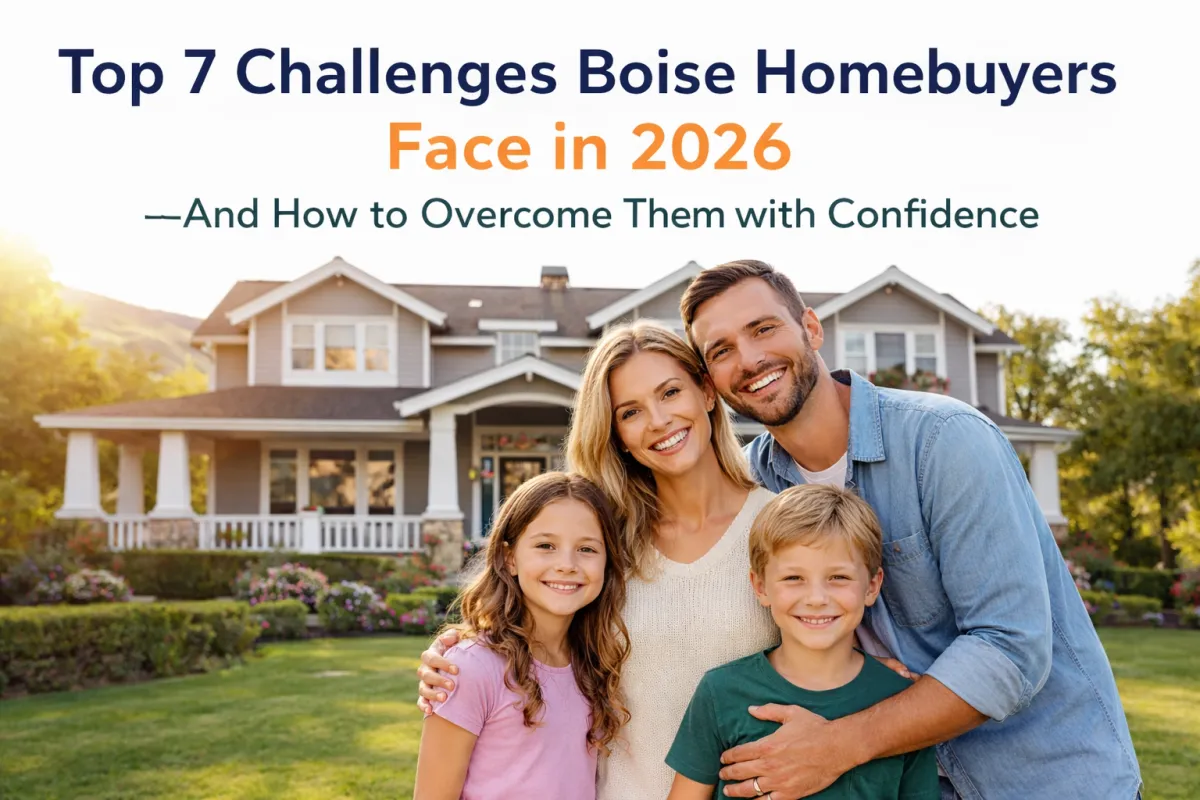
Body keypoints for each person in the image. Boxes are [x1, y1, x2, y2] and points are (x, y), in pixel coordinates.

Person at [678, 259, 1141, 800]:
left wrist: (839, 744)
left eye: (763, 329)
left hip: (1045, 780)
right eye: (722, 350)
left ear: (810, 328)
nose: (750, 359)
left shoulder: (946, 441)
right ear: (711, 380)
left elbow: (1010, 648)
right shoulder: (754, 484)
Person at [418, 322, 787, 799]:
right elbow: (533, 638)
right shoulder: (604, 541)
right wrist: (456, 655)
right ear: (616, 435)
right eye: (630, 411)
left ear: (707, 393)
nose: (658, 420)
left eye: (670, 392)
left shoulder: (780, 527)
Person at [666, 484, 938, 800]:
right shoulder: (721, 692)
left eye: (838, 577)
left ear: (872, 586)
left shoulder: (899, 705)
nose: (816, 599)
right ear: (761, 586)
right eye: (794, 578)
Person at [412, 471, 630, 800]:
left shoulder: (594, 666)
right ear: (509, 557)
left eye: (587, 549)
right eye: (546, 546)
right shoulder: (469, 668)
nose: (567, 564)